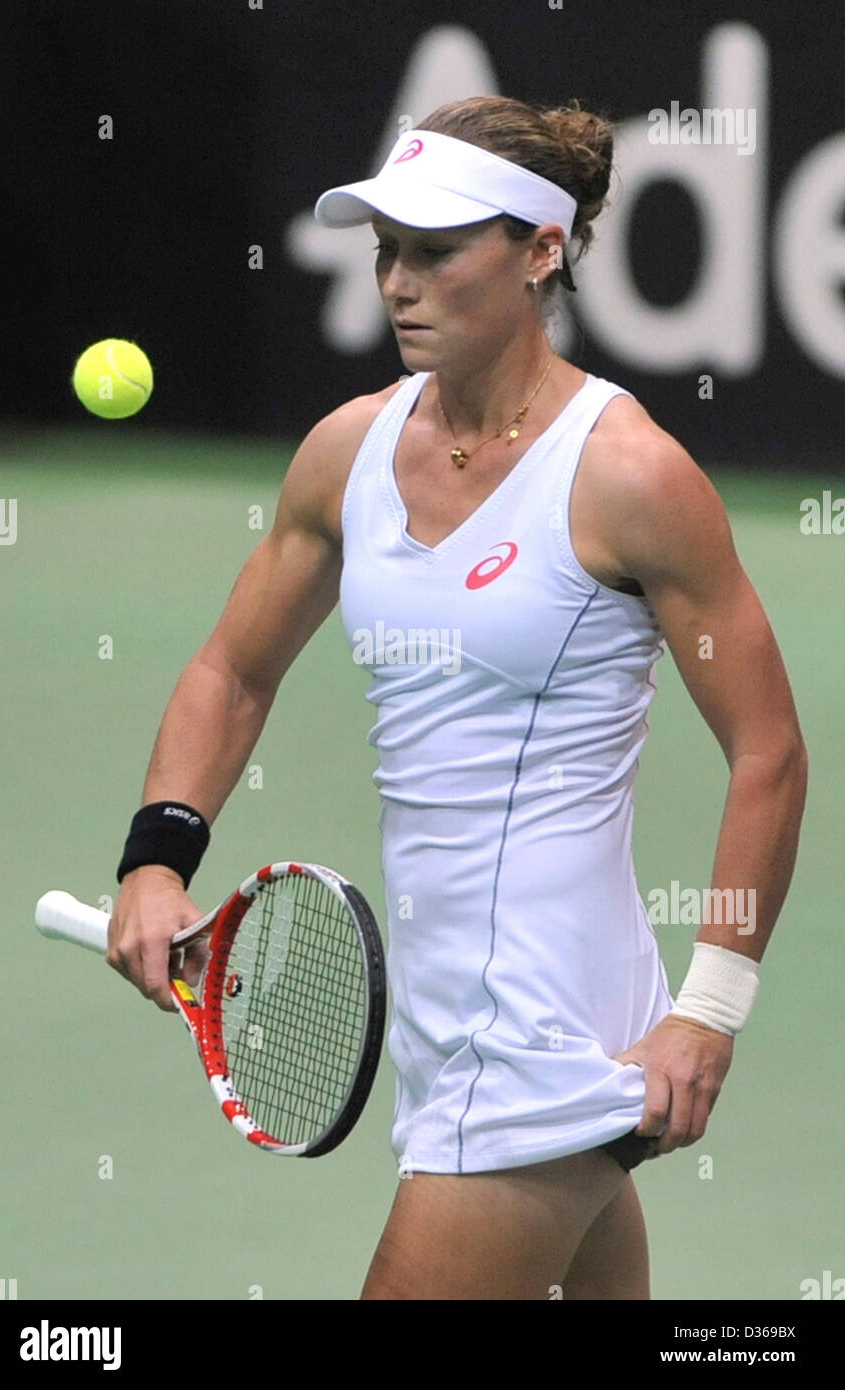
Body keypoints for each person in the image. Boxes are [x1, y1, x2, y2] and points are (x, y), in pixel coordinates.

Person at [107, 96, 808, 1300]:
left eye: (435, 251)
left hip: (533, 1036)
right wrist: (157, 853)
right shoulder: (349, 453)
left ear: (541, 252)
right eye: (385, 250)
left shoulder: (627, 473)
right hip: (452, 1025)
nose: (397, 282)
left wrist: (710, 1008)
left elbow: (768, 752)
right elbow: (234, 668)